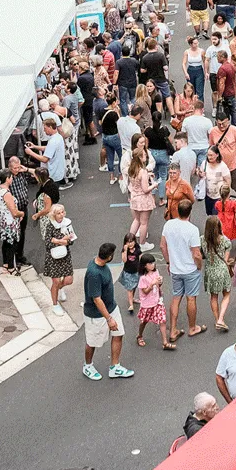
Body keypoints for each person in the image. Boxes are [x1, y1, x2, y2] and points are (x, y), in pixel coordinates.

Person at [82, 242, 134, 380]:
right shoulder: (94, 273)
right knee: (92, 342)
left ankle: (114, 367)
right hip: (97, 314)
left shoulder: (100, 264)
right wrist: (109, 319)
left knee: (118, 334)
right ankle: (87, 365)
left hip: (111, 307)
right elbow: (96, 299)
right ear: (109, 256)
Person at [163, 199, 206, 340]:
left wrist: (169, 262)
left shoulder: (169, 225)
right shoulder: (192, 230)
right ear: (190, 212)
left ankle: (173, 330)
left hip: (175, 268)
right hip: (190, 269)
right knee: (191, 298)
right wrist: (199, 265)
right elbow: (196, 253)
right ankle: (192, 327)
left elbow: (162, 245)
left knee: (176, 298)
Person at [134, 253, 174, 350]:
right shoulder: (143, 278)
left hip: (157, 301)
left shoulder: (156, 272)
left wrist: (160, 282)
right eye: (150, 263)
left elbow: (159, 285)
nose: (153, 265)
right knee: (144, 321)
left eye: (153, 263)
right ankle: (139, 335)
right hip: (147, 304)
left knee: (162, 320)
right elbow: (145, 292)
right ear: (145, 265)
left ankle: (165, 342)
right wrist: (152, 284)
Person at [124, 135, 158, 249]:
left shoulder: (132, 169)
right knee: (144, 223)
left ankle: (129, 241)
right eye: (143, 155)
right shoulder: (142, 171)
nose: (145, 156)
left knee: (136, 220)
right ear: (140, 158)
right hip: (143, 200)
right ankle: (143, 244)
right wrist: (154, 185)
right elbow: (145, 189)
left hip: (134, 197)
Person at [201, 215, 234, 331]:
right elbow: (225, 259)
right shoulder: (225, 241)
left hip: (210, 270)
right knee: (226, 294)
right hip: (222, 270)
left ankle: (217, 320)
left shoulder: (202, 240)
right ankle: (221, 319)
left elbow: (201, 254)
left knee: (213, 297)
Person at [0, 169, 22, 275]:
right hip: (10, 222)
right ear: (7, 179)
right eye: (11, 177)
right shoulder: (6, 194)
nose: (12, 179)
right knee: (11, 244)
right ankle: (11, 267)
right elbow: (14, 212)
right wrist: (22, 214)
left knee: (5, 243)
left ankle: (5, 264)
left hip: (2, 220)